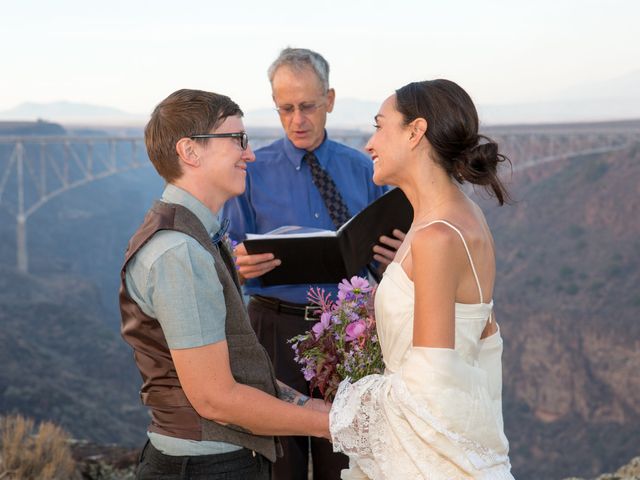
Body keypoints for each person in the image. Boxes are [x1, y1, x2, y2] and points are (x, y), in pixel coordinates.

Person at [119, 89, 330, 480]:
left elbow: (234, 370)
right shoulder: (179, 253)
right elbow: (216, 400)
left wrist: (314, 407)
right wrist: (331, 426)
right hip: (208, 468)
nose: (249, 153)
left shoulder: (193, 236)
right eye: (237, 139)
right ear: (190, 151)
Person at [221, 48, 403, 480]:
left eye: (308, 106)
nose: (297, 119)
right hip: (271, 329)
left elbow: (389, 255)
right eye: (286, 108)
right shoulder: (251, 171)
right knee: (274, 462)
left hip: (348, 331)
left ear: (331, 100)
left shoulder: (365, 169)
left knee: (344, 459)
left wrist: (398, 258)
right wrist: (237, 263)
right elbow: (226, 252)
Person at [328, 79, 515, 479]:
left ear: (415, 132)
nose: (370, 143)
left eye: (380, 126)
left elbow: (428, 386)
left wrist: (347, 405)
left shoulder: (435, 236)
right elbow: (485, 338)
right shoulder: (456, 217)